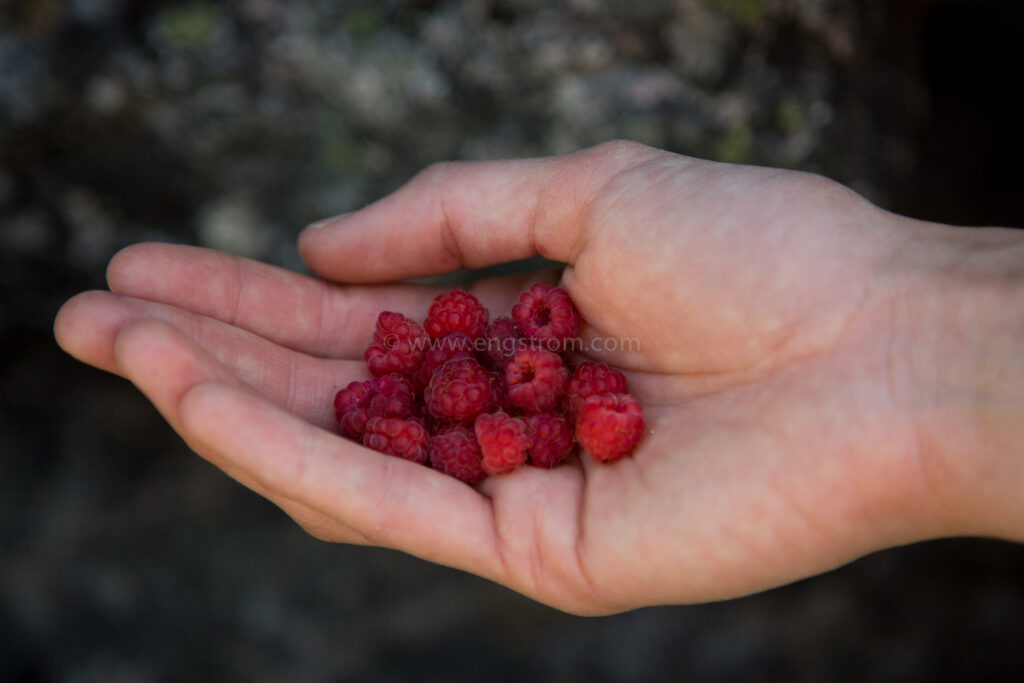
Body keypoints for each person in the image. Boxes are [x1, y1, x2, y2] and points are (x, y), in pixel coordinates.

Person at [53, 140, 1024, 615]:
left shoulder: (523, 380)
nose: (535, 360)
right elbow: (448, 386)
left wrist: (904, 320)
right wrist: (916, 326)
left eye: (535, 357)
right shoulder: (471, 375)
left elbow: (487, 389)